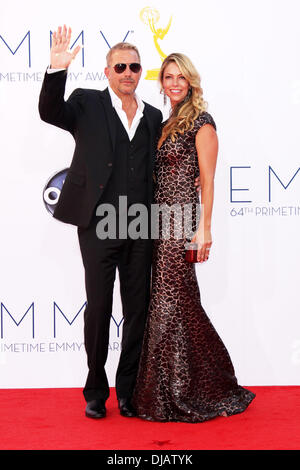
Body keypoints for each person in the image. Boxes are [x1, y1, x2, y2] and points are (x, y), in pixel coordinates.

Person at [38, 25, 163, 419]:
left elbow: (157, 167)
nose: (128, 72)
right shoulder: (87, 103)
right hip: (99, 224)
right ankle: (96, 390)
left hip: (141, 225)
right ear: (107, 72)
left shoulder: (153, 115)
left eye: (135, 67)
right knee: (99, 307)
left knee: (138, 308)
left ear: (141, 73)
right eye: (120, 66)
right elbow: (50, 112)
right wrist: (56, 71)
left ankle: (128, 391)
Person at [132, 53, 255, 422]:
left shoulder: (202, 123)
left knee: (172, 301)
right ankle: (180, 385)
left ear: (191, 82)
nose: (173, 83)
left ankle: (193, 388)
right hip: (158, 222)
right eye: (168, 77)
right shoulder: (166, 122)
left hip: (181, 222)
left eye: (180, 78)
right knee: (174, 301)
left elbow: (209, 179)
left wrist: (205, 228)